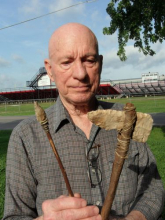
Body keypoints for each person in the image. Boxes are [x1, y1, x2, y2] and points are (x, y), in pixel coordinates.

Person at [3, 23, 165, 220]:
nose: (80, 74)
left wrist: (135, 218)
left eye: (89, 60)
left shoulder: (127, 119)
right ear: (50, 69)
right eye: (66, 62)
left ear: (101, 64)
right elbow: (14, 215)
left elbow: (153, 189)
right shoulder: (25, 137)